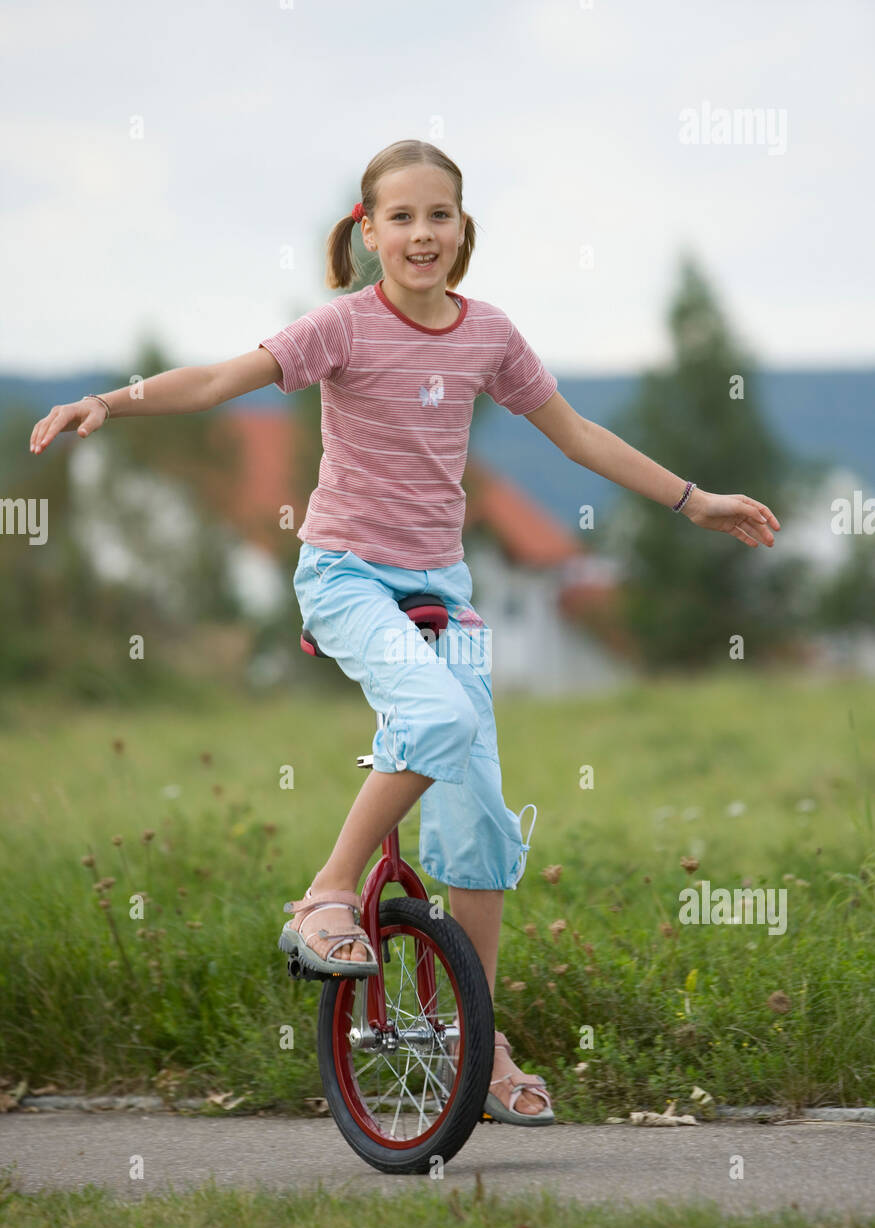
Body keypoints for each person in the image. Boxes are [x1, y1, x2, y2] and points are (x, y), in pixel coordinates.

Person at [28, 138, 780, 1124]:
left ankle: (477, 1031)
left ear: (462, 229)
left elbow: (578, 437)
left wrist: (695, 500)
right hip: (344, 578)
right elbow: (217, 381)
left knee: (479, 825)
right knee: (431, 714)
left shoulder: (490, 336)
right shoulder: (339, 326)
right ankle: (327, 893)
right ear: (366, 231)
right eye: (401, 217)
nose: (422, 233)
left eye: (440, 215)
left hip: (444, 589)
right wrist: (106, 401)